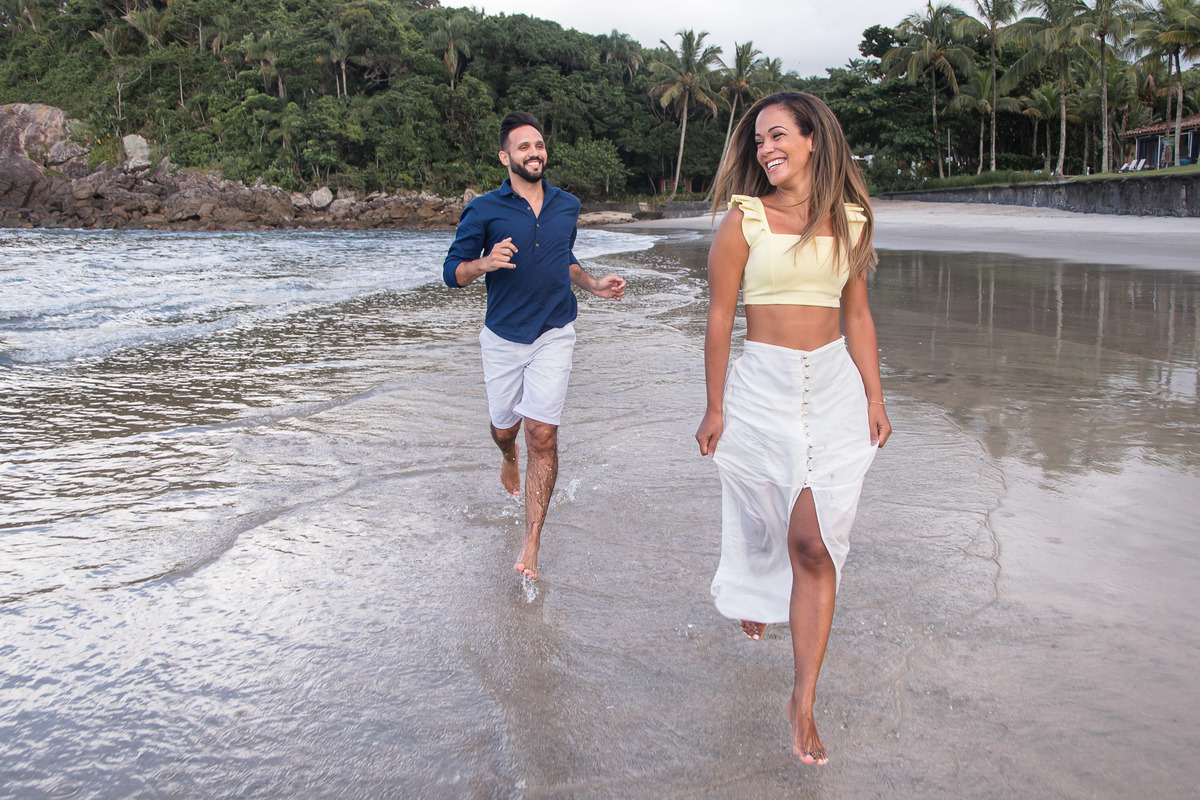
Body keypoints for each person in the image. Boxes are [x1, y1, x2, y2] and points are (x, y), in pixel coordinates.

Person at [695, 92, 892, 765]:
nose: (766, 149)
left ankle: (803, 699)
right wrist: (714, 404)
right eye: (758, 141)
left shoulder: (853, 221)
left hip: (833, 385)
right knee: (762, 510)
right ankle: (756, 588)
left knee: (813, 541)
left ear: (812, 139)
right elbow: (720, 318)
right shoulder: (743, 221)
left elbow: (858, 317)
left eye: (777, 135)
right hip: (762, 389)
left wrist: (875, 395)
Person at [444, 111, 626, 581]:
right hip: (504, 337)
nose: (534, 153)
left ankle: (532, 541)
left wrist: (592, 285)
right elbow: (452, 273)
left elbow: (562, 257)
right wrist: (484, 263)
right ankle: (507, 458)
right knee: (506, 431)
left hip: (555, 331)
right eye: (523, 147)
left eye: (539, 145)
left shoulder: (568, 204)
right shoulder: (484, 209)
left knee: (542, 435)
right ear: (506, 157)